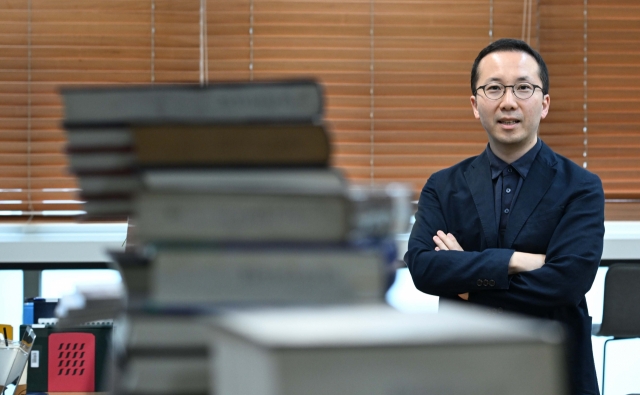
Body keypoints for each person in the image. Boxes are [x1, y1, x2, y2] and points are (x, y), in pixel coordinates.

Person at [404, 38, 604, 395]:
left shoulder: (581, 187)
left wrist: (466, 285)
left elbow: (568, 282)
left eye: (523, 88)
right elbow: (423, 267)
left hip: (554, 372)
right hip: (464, 372)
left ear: (544, 104)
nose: (508, 101)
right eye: (494, 88)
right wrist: (517, 260)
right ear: (475, 104)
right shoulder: (443, 186)